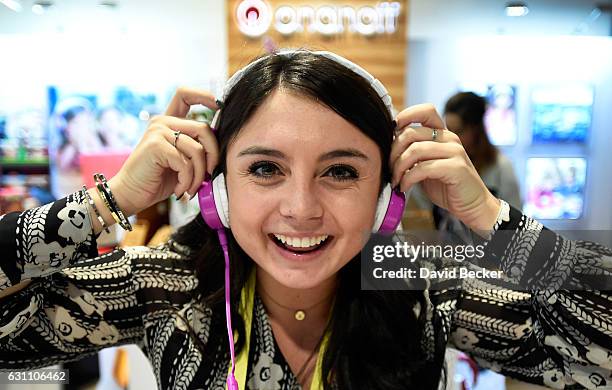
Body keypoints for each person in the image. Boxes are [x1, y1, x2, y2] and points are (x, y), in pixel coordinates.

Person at [0, 50, 610, 390]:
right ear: (219, 187)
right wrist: (107, 204)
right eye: (265, 168)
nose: (300, 208)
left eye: (340, 171)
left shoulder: (420, 282)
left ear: (385, 194)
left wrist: (491, 218)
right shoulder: (169, 283)